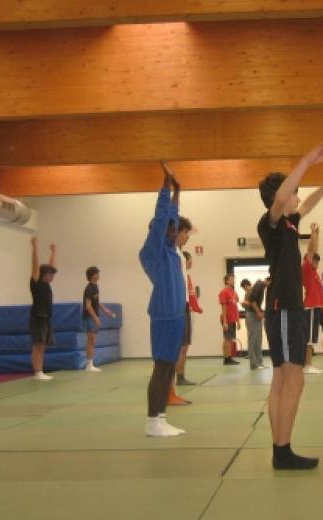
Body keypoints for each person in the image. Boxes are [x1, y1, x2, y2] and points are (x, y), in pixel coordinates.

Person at [258, 143, 323, 470]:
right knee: (292, 378)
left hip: (287, 307)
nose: (297, 197)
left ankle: (280, 449)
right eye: (294, 191)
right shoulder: (269, 222)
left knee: (283, 379)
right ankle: (282, 450)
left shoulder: (291, 224)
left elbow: (306, 204)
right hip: (284, 307)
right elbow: (284, 199)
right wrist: (307, 160)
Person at [138, 161, 188, 436]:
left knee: (169, 367)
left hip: (176, 315)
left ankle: (160, 418)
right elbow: (162, 218)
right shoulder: (153, 251)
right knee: (161, 367)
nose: (174, 231)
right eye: (170, 229)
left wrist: (178, 193)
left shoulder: (171, 252)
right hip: (164, 315)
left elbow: (172, 215)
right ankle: (152, 422)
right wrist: (165, 186)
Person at [167, 216, 195, 406]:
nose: (187, 237)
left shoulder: (179, 254)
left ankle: (172, 389)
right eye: (184, 232)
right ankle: (168, 392)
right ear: (175, 232)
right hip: (174, 305)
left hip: (182, 304)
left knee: (181, 348)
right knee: (171, 350)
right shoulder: (171, 253)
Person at [29, 237, 57, 381]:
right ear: (44, 275)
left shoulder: (47, 285)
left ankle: (40, 370)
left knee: (43, 346)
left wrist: (53, 252)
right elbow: (35, 265)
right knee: (38, 345)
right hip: (38, 317)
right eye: (51, 274)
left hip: (46, 318)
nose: (53, 276)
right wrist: (34, 248)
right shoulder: (36, 282)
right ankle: (37, 372)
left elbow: (51, 266)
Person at [301, 223, 323, 372]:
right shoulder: (306, 268)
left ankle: (308, 364)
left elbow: (315, 251)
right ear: (308, 260)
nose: (316, 262)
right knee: (309, 338)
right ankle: (308, 365)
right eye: (314, 260)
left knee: (312, 337)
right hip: (310, 306)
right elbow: (312, 250)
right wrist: (313, 234)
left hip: (316, 307)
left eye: (317, 261)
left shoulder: (316, 274)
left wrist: (318, 233)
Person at [82, 266, 117, 372]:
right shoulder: (89, 288)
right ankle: (89, 365)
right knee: (90, 340)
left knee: (92, 340)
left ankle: (90, 364)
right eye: (97, 273)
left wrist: (105, 310)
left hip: (93, 316)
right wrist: (95, 317)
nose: (98, 275)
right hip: (89, 317)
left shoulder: (95, 286)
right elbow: (88, 306)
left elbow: (96, 301)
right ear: (92, 275)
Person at [175, 250, 202, 386]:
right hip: (180, 309)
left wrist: (195, 306)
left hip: (185, 309)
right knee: (181, 347)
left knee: (185, 346)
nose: (191, 262)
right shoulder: (179, 275)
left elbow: (191, 295)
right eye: (190, 259)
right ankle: (179, 377)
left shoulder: (187, 276)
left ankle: (181, 376)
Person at [243, 277, 271, 370]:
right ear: (268, 281)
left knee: (258, 339)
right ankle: (254, 364)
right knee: (253, 340)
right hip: (252, 315)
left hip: (255, 314)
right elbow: (252, 300)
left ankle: (259, 362)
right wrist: (258, 312)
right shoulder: (260, 285)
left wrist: (260, 311)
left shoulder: (261, 286)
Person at [219, 273, 241, 365]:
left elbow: (235, 307)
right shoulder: (223, 292)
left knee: (230, 339)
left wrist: (238, 320)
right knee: (227, 339)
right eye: (231, 279)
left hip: (233, 319)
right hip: (227, 319)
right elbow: (223, 307)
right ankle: (226, 358)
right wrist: (224, 322)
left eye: (234, 279)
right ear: (226, 281)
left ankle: (229, 357)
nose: (233, 280)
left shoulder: (234, 292)